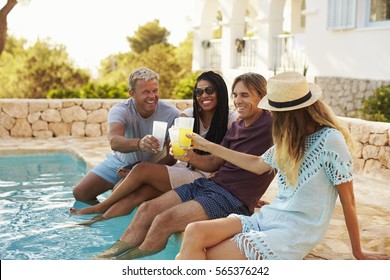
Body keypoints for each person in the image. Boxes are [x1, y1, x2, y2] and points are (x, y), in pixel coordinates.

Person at [175, 71, 390, 260]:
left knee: (206, 259)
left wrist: (358, 251)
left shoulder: (330, 139)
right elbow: (258, 164)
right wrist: (207, 145)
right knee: (194, 232)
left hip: (295, 230)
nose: (272, 115)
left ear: (293, 112)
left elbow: (349, 200)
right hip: (270, 217)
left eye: (275, 110)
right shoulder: (289, 139)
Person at [92, 72, 275, 260]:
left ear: (262, 97)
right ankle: (106, 255)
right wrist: (191, 156)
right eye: (235, 95)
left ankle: (119, 263)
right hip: (211, 185)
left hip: (233, 199)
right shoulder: (238, 125)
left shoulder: (272, 125)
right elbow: (213, 163)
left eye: (245, 95)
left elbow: (278, 152)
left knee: (164, 221)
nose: (238, 101)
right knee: (147, 209)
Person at [70, 71, 238, 224]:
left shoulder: (231, 120)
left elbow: (220, 161)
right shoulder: (188, 115)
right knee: (136, 193)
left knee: (139, 173)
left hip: (202, 174)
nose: (203, 95)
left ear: (220, 92)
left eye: (209, 90)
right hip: (140, 162)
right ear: (132, 93)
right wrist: (141, 146)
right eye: (199, 91)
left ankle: (100, 208)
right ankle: (98, 219)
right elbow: (115, 141)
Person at [72, 67, 180, 204]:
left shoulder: (171, 113)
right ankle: (103, 219)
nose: (152, 96)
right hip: (120, 162)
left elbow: (173, 156)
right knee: (81, 192)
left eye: (155, 91)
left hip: (154, 166)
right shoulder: (121, 110)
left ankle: (113, 213)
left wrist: (144, 173)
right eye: (146, 92)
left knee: (119, 193)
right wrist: (140, 143)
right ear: (132, 93)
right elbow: (114, 141)